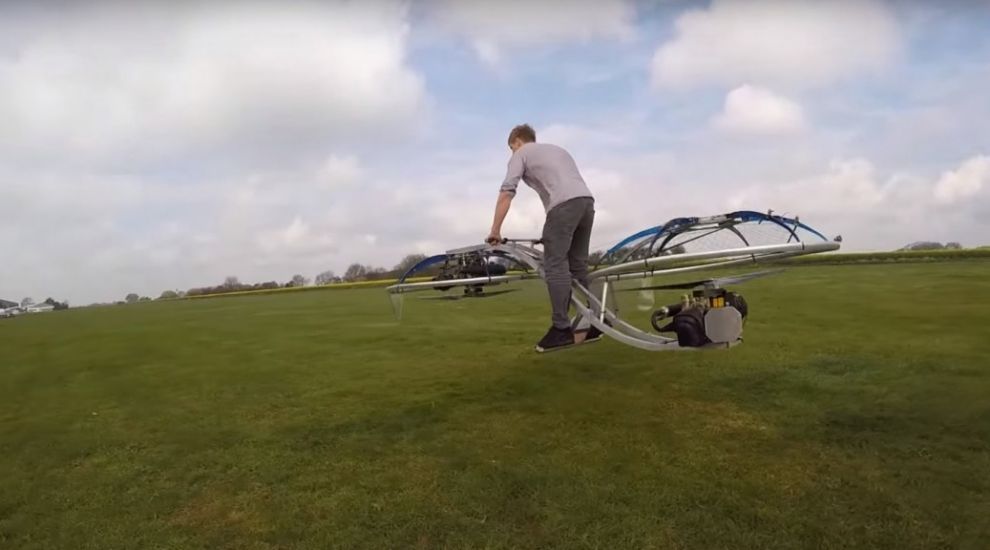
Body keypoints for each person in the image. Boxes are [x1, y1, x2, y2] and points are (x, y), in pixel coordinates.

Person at [486, 124, 602, 352]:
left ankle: (561, 329)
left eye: (512, 148)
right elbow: (553, 191)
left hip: (564, 207)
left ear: (518, 141)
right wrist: (550, 235)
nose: (512, 153)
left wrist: (495, 230)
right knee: (578, 266)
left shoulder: (521, 153)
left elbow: (507, 190)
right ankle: (597, 320)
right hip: (586, 203)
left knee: (554, 265)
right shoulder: (557, 150)